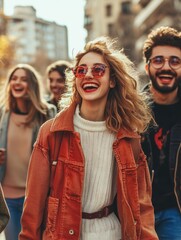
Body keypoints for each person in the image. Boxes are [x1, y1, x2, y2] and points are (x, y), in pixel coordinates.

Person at [19, 37, 158, 240]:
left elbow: (141, 206)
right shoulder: (51, 133)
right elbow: (33, 205)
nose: (88, 76)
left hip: (112, 233)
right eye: (81, 70)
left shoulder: (129, 137)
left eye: (98, 70)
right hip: (61, 234)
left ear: (112, 80)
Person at [0, 63, 57, 240]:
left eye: (23, 79)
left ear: (32, 85)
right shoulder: (2, 113)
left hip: (35, 196)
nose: (17, 82)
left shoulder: (47, 113)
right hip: (7, 197)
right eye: (14, 79)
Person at [141, 26, 181, 240]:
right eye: (158, 60)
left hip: (176, 211)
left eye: (174, 61)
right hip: (137, 212)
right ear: (147, 67)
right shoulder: (131, 113)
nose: (166, 67)